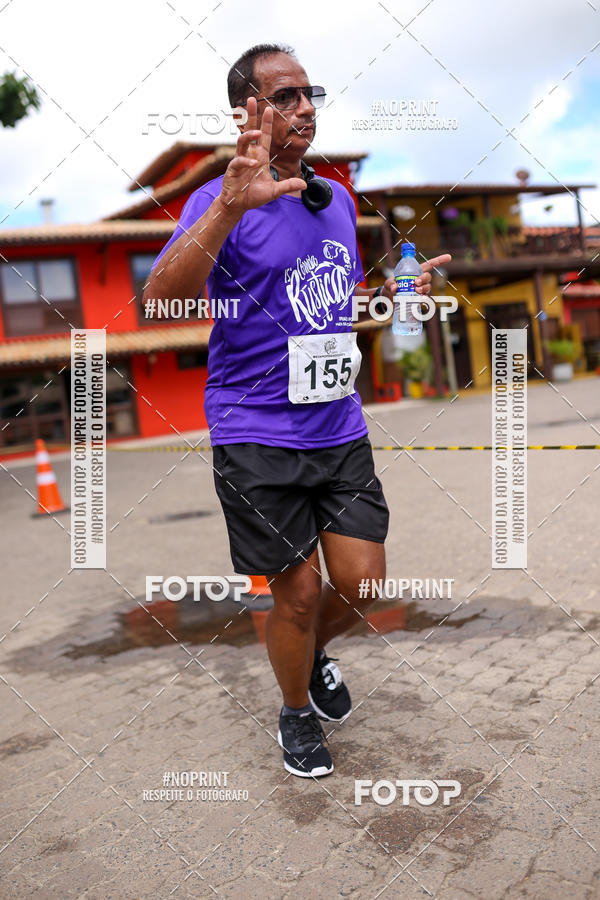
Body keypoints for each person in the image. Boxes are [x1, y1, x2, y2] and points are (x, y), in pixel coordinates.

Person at [145, 43, 450, 778]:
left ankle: (309, 655)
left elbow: (326, 304)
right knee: (299, 591)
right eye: (284, 97)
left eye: (309, 93)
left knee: (363, 583)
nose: (305, 107)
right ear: (247, 112)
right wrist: (226, 206)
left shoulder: (337, 199)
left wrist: (400, 296)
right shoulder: (218, 199)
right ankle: (294, 714)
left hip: (337, 425)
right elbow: (161, 301)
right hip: (255, 430)